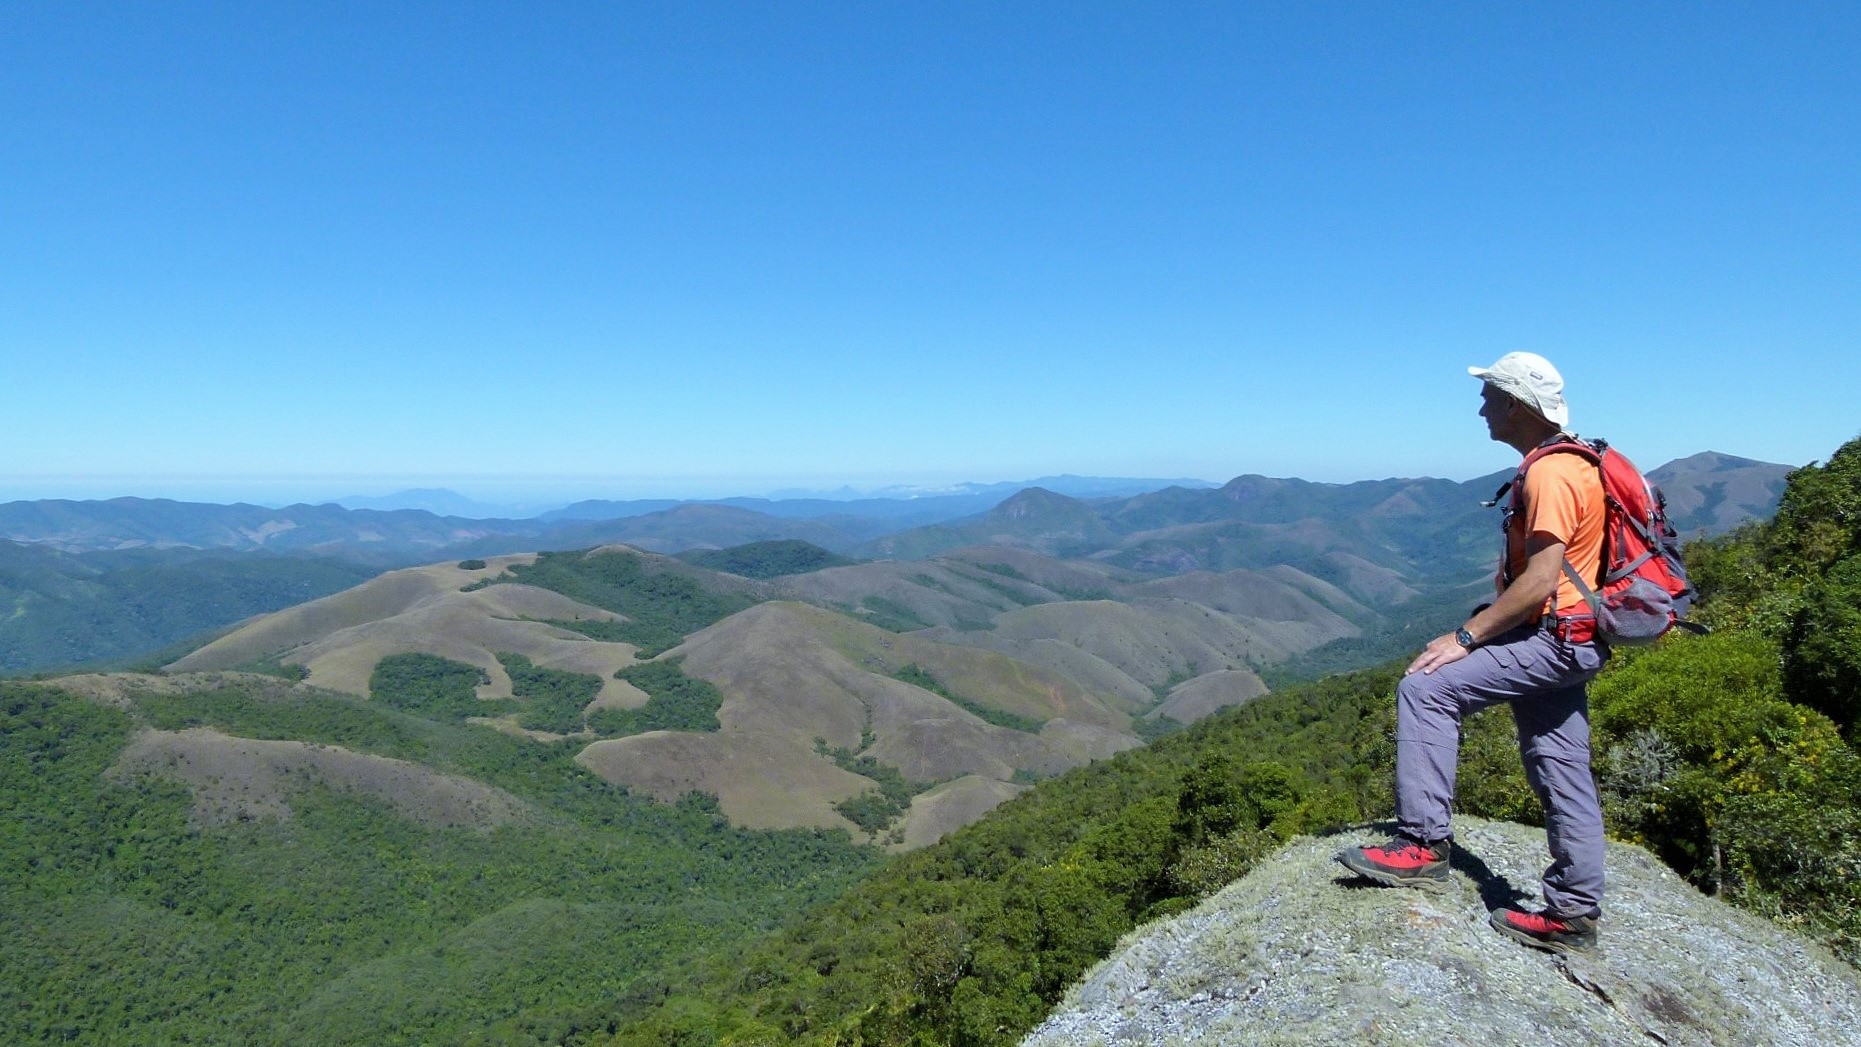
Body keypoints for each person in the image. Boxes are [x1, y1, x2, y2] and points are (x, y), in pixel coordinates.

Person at [1336, 351, 1610, 955]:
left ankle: (1422, 845)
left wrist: (1466, 637)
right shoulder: (1574, 462)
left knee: (1426, 688)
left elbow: (1540, 582)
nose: (1481, 408)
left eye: (1489, 397)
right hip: (1577, 637)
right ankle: (1573, 913)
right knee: (1561, 764)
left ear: (1515, 403)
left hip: (1552, 638)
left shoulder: (1551, 474)